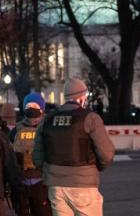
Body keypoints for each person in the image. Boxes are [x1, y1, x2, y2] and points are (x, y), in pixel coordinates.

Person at [32, 78, 116, 216]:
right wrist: (96, 168)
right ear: (81, 98)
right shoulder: (90, 118)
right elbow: (106, 153)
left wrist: (50, 171)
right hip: (83, 185)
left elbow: (37, 155)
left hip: (56, 185)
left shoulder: (48, 119)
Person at [9, 93, 52, 216]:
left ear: (42, 108)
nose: (31, 108)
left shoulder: (47, 127)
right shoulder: (16, 130)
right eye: (28, 105)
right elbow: (8, 155)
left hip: (42, 182)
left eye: (35, 105)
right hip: (22, 183)